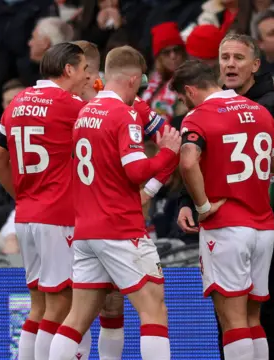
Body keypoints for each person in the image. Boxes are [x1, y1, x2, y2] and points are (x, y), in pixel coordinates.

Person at [48, 45, 180, 360]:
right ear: (135, 79)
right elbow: (135, 170)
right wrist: (166, 154)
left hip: (86, 230)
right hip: (120, 226)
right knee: (154, 309)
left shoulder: (84, 113)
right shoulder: (125, 113)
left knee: (76, 319)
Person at [177, 33, 274, 360]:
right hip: (263, 226)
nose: (230, 64)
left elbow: (188, 160)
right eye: (225, 57)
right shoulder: (261, 112)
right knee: (253, 318)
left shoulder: (200, 115)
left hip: (226, 225)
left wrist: (202, 205)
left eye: (239, 57)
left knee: (232, 322)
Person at [0, 42, 92, 360]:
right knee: (64, 303)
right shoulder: (70, 106)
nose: (88, 76)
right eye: (85, 69)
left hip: (26, 216)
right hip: (58, 216)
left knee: (38, 304)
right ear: (69, 69)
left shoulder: (16, 103)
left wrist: (23, 195)